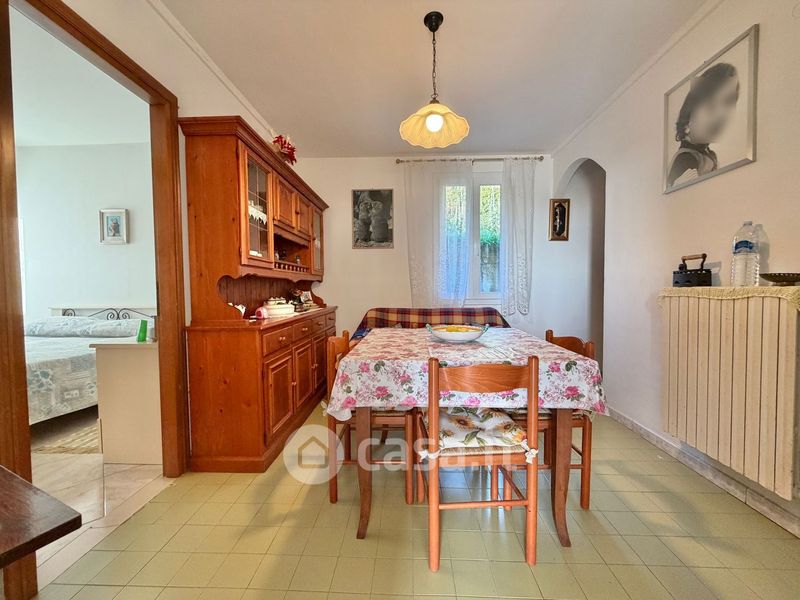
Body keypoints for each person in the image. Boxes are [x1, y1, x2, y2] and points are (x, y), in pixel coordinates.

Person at [667, 62, 739, 188]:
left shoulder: (707, 154)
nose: (720, 115)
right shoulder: (686, 158)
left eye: (728, 103)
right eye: (710, 107)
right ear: (686, 126)